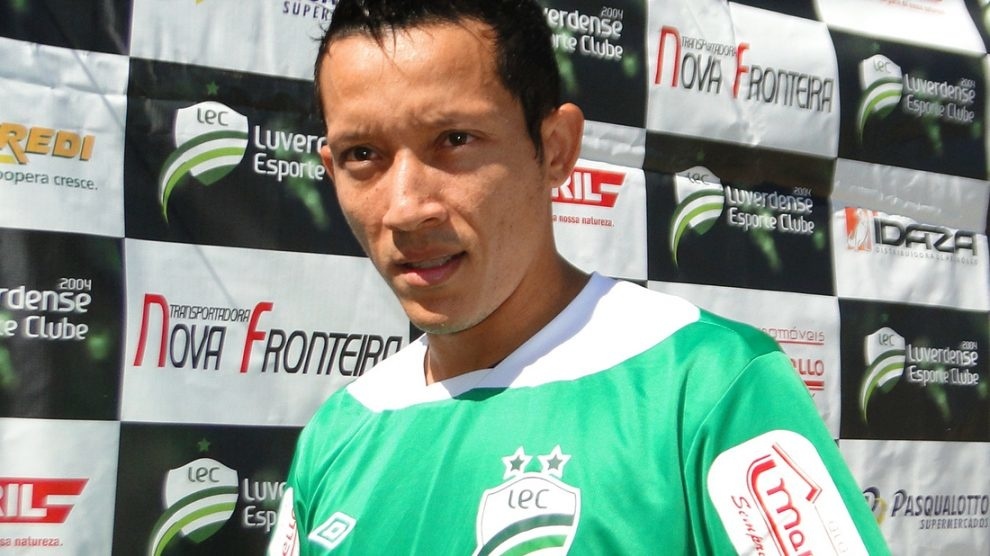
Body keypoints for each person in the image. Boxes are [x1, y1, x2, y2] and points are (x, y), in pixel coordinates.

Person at [269, 1, 889, 554]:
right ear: (330, 168)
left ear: (557, 148)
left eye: (454, 140)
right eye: (362, 155)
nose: (406, 208)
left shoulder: (707, 386)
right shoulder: (339, 433)